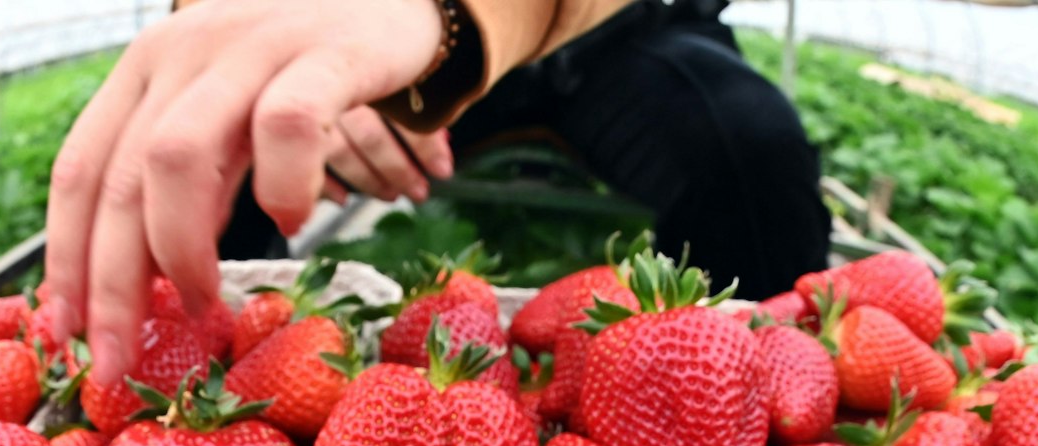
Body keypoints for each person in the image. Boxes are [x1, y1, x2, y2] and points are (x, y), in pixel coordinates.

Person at [44, 0, 828, 383]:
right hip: (374, 26)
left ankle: (763, 398)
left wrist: (449, 20)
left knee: (748, 145)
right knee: (226, 134)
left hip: (610, 32)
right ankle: (218, 399)